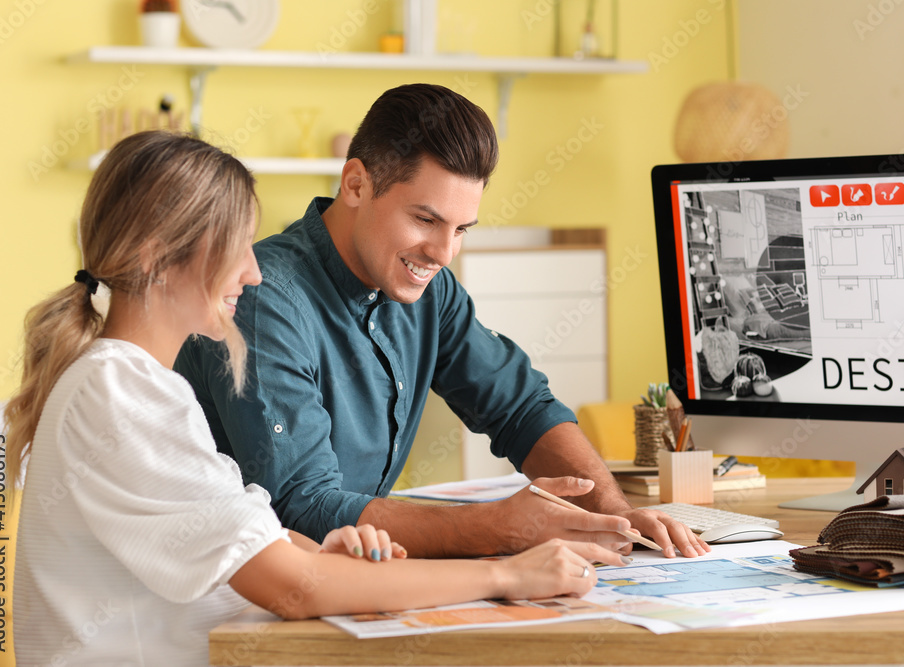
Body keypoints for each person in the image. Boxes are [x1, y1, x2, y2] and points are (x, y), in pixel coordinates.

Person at [6, 131, 627, 667]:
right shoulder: (121, 394)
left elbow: (256, 541)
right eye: (235, 245)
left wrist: (322, 551)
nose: (250, 272)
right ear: (155, 259)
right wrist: (507, 574)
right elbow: (294, 591)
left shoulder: (138, 386)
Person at [175, 83, 710, 559]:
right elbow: (302, 508)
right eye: (425, 220)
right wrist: (499, 528)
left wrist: (611, 515)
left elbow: (522, 408)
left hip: (349, 578)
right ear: (356, 184)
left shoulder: (430, 289)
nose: (443, 252)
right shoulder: (263, 297)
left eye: (462, 229)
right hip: (236, 602)